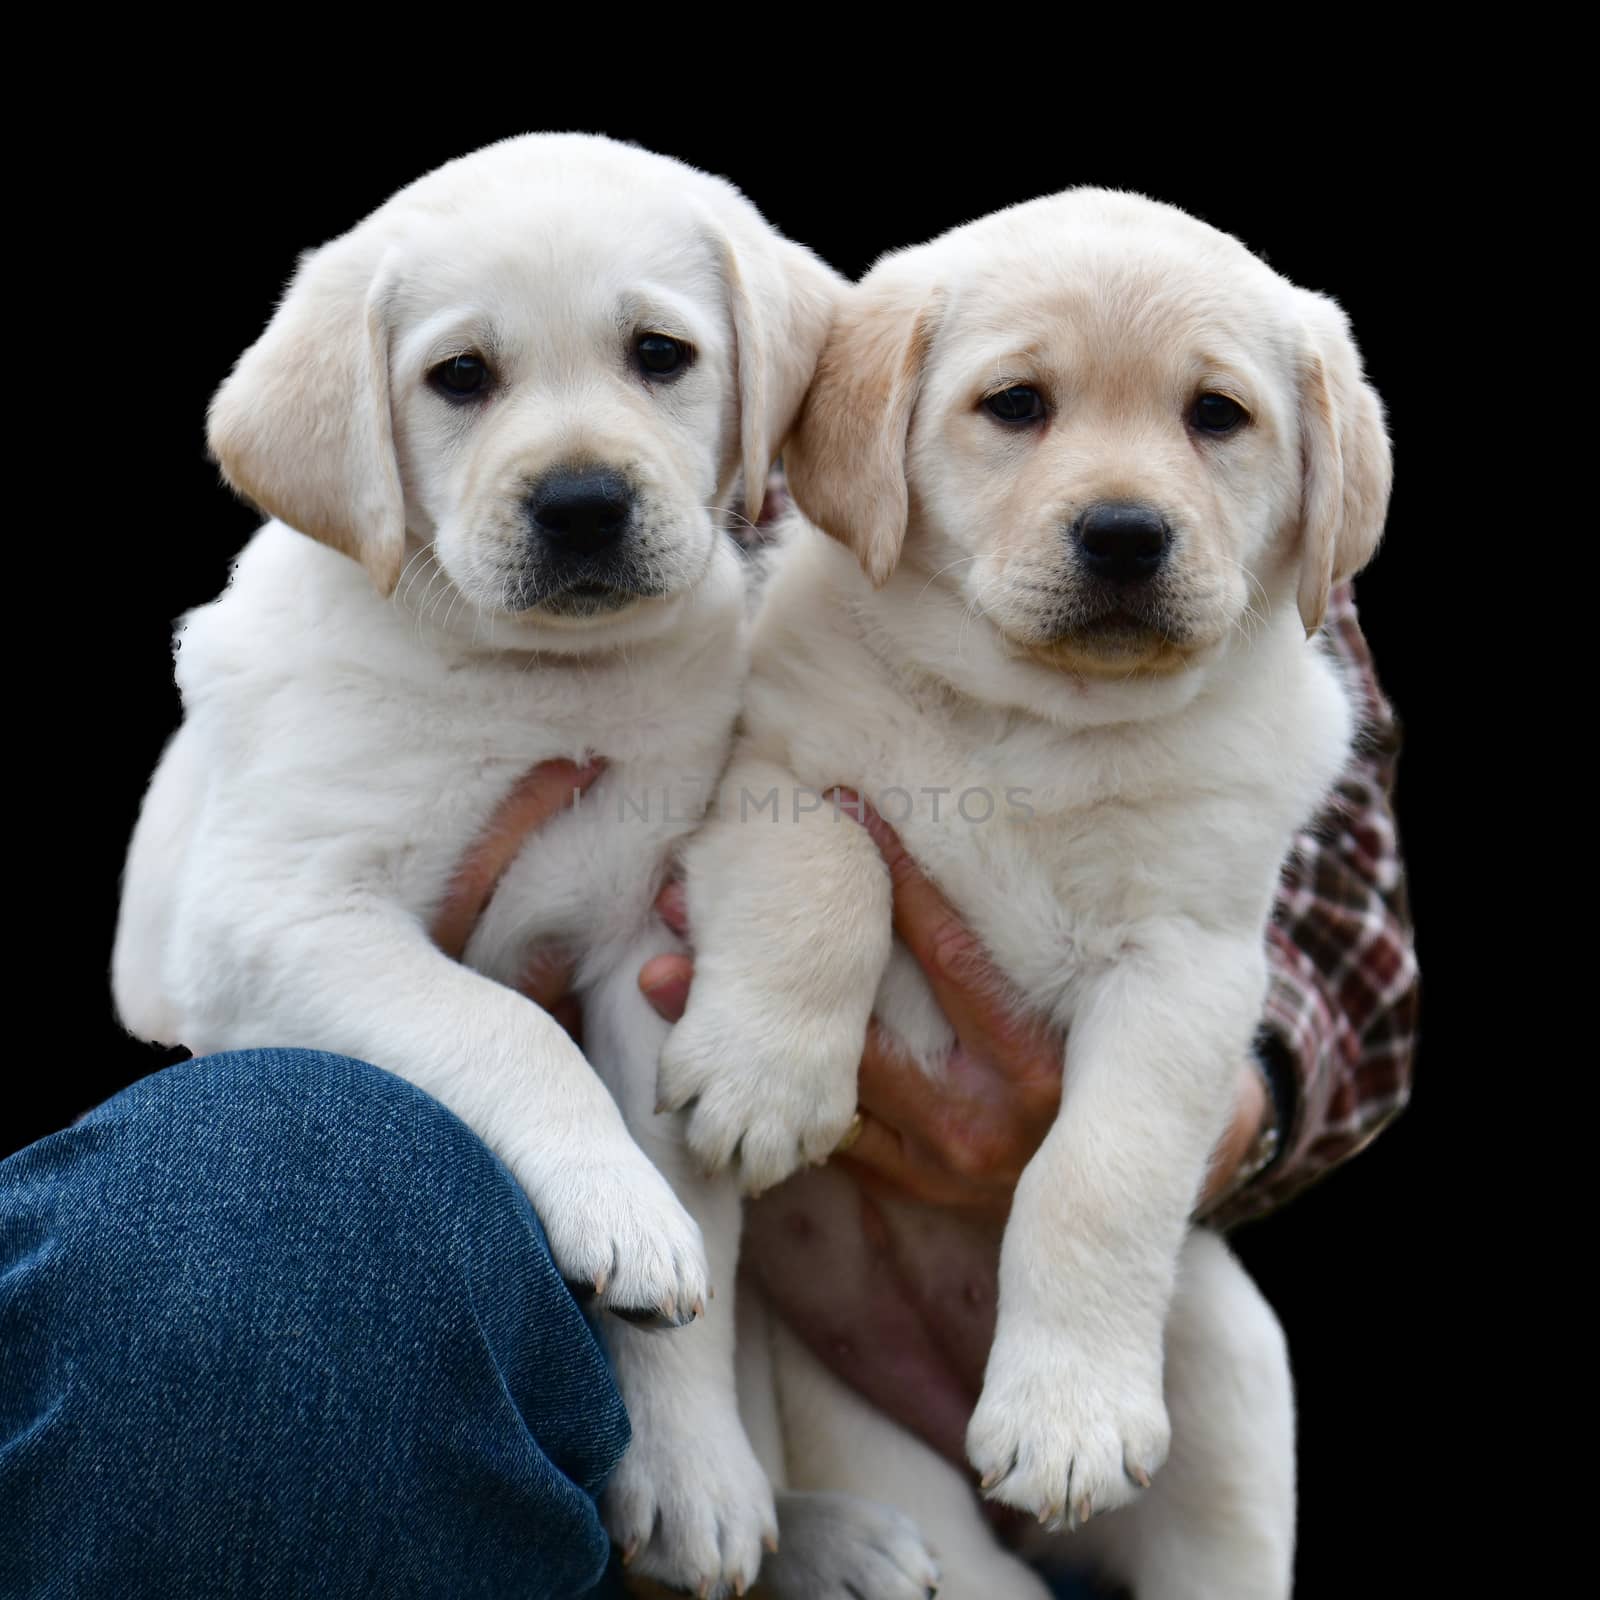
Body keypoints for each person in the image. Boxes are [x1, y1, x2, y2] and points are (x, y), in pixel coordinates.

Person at [0, 583, 1416, 1599]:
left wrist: (1148, 1130)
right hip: (359, 1205)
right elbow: (200, 964)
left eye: (660, 358)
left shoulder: (1172, 410)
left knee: (1217, 1362)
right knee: (248, 1205)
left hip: (836, 1294)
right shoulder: (313, 590)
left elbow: (1324, 895)